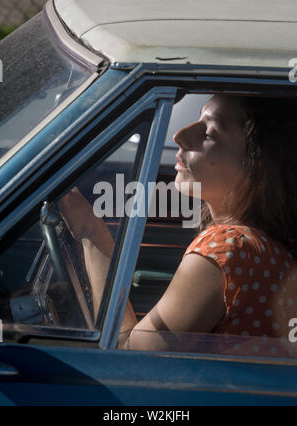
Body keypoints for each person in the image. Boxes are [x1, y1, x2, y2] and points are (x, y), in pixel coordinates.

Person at [59, 94, 297, 351]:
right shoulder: (269, 252)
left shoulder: (229, 249)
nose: (180, 135)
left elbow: (129, 358)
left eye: (209, 133)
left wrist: (92, 234)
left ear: (258, 170)